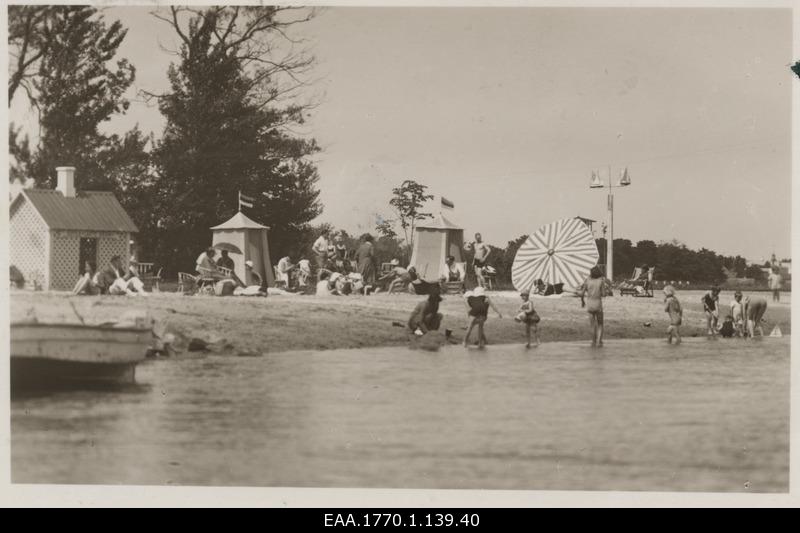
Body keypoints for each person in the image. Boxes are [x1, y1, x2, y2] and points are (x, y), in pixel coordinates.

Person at [577, 266, 611, 347]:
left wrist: (582, 301)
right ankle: (599, 341)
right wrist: (607, 291)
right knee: (600, 324)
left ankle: (593, 341)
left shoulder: (587, 281)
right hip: (598, 304)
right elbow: (603, 294)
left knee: (592, 325)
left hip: (589, 304)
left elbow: (582, 293)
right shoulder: (601, 281)